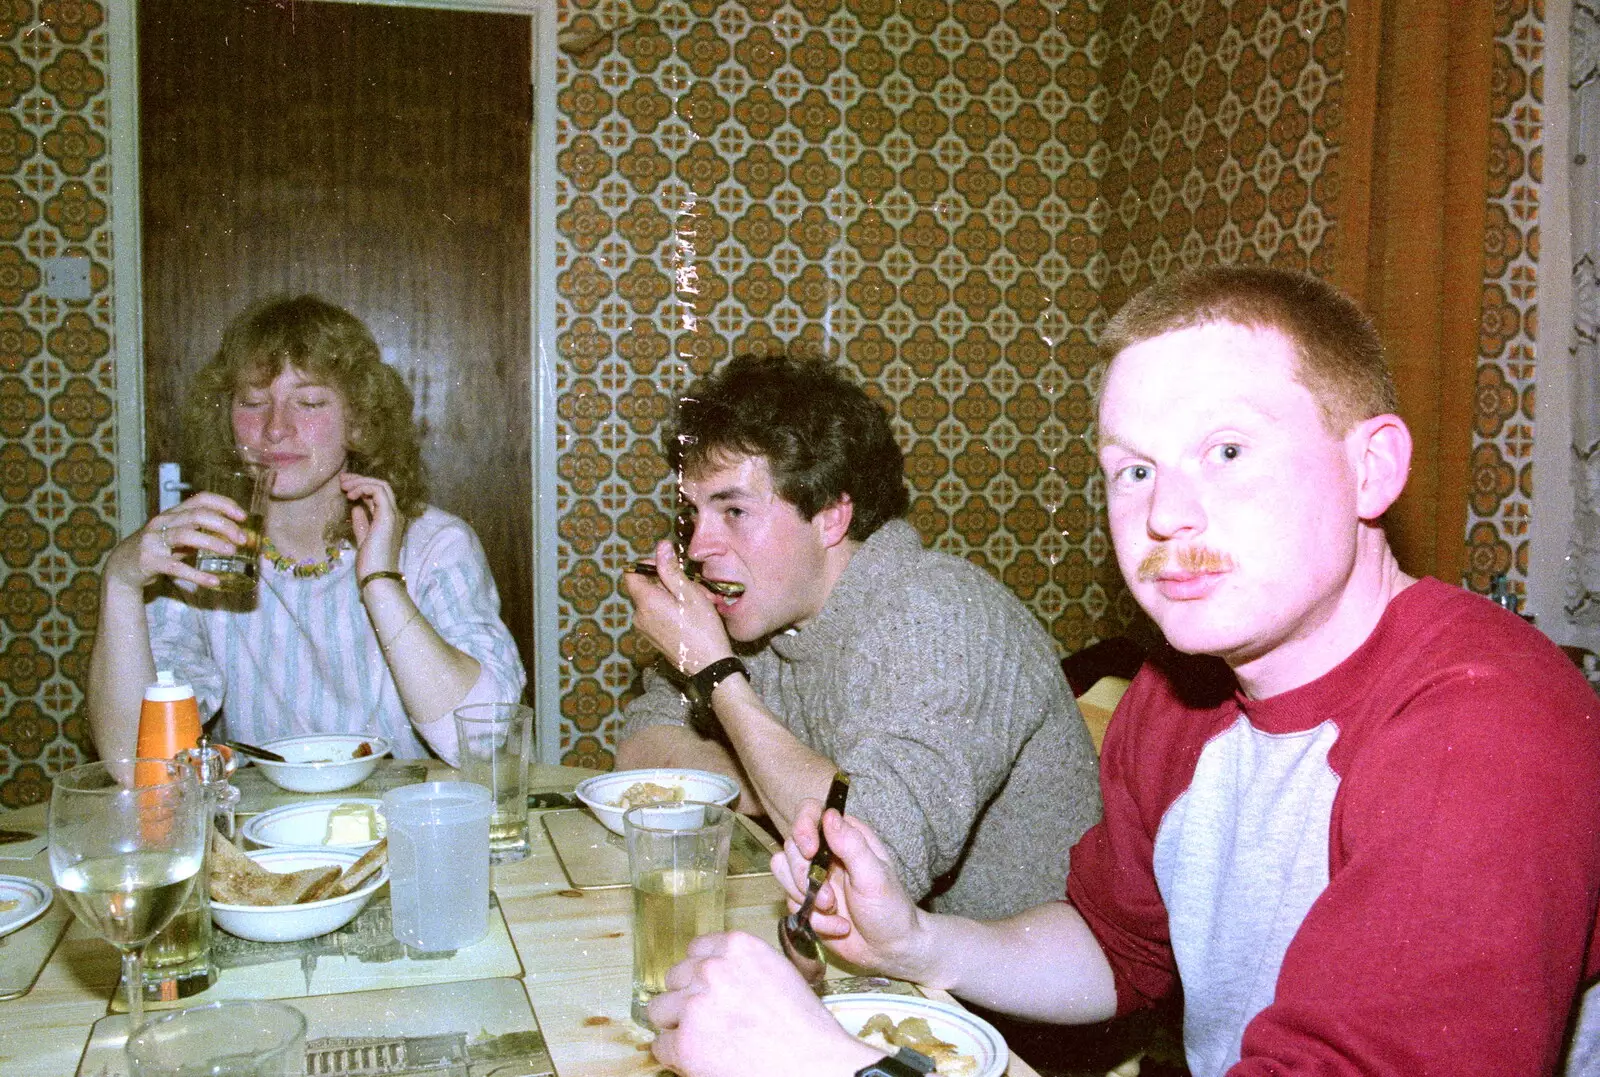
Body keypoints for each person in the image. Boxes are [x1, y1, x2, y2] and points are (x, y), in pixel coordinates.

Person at [644, 267, 1600, 1077]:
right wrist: (920, 942)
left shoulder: (1488, 729)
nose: (1166, 513)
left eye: (1226, 450)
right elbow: (1117, 949)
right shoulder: (1182, 696)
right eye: (1131, 469)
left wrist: (831, 1065)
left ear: (1373, 468)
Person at [617, 352, 1101, 921]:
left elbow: (864, 864)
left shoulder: (937, 618)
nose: (698, 547)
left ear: (830, 516)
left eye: (735, 512)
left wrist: (716, 674)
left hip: (1001, 993)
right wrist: (782, 780)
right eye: (693, 515)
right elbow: (643, 750)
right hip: (877, 958)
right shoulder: (759, 608)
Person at [88, 294, 525, 763]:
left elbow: (481, 741)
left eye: (310, 403)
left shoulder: (436, 544)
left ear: (357, 421)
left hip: (405, 828)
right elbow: (136, 760)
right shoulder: (205, 550)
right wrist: (120, 582)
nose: (275, 429)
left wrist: (379, 582)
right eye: (252, 403)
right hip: (264, 833)